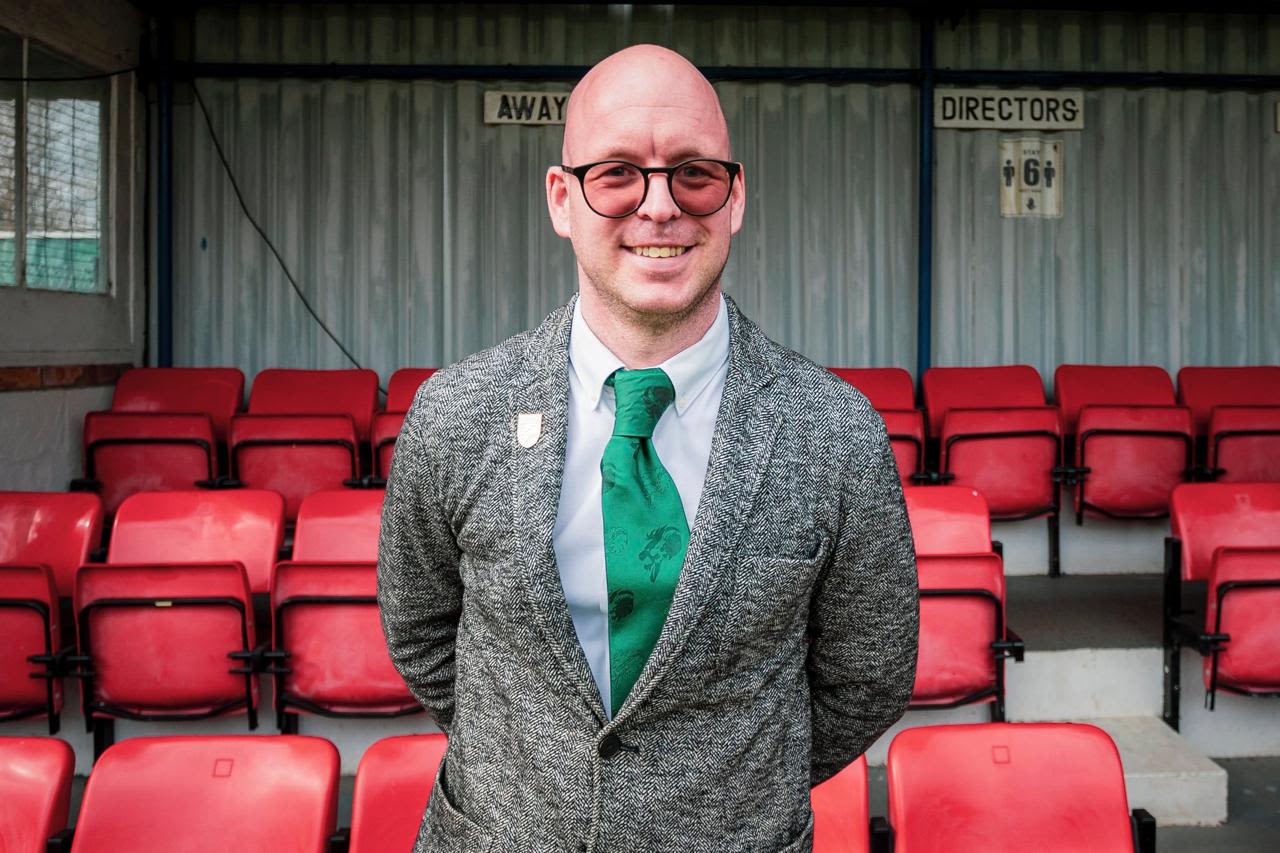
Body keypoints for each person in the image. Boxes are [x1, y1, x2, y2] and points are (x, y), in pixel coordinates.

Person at [378, 43, 917, 853]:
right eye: (618, 173)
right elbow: (420, 631)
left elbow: (868, 673)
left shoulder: (836, 432)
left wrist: (729, 783)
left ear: (735, 197)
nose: (659, 207)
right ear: (562, 199)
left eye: (693, 173)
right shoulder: (455, 415)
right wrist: (529, 761)